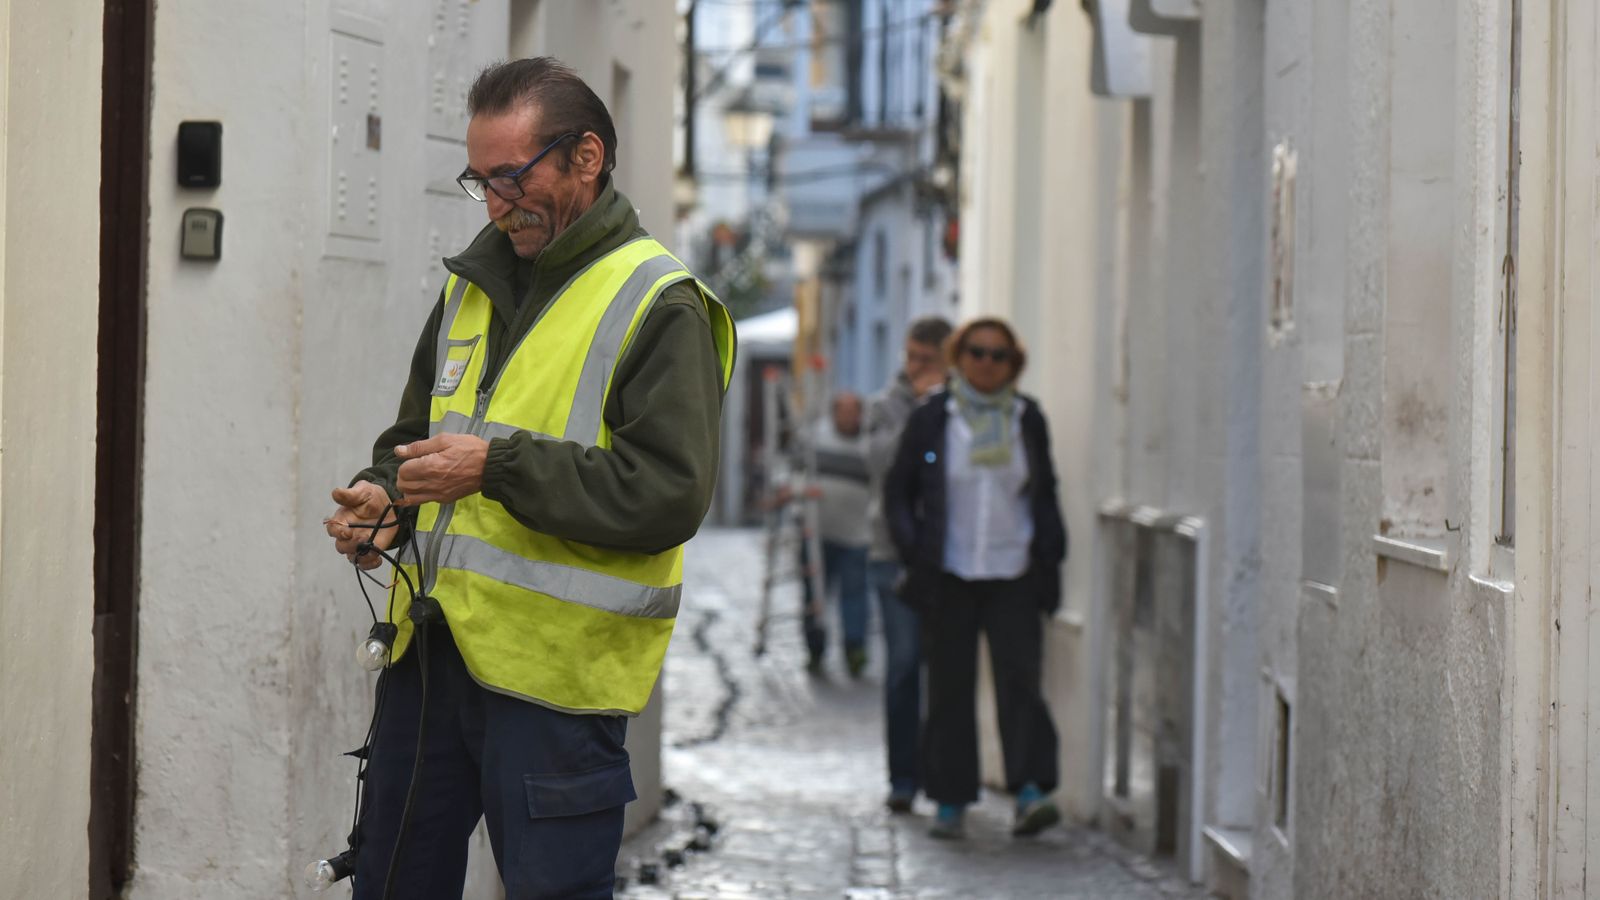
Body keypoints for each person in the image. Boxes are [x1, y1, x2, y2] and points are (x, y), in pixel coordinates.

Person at [323, 58, 735, 899]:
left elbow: (668, 494)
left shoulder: (661, 302)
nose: (498, 202)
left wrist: (496, 468)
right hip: (430, 659)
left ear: (587, 157)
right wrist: (383, 501)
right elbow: (416, 441)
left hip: (556, 688)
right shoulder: (472, 285)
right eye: (482, 181)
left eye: (512, 176)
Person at [884, 317, 1066, 840]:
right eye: (978, 352)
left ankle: (1031, 790)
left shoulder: (1027, 419)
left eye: (999, 355)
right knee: (949, 688)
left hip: (1014, 571)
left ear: (1014, 364)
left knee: (1021, 683)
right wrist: (914, 550)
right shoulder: (933, 417)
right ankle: (950, 798)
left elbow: (1045, 492)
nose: (987, 362)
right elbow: (899, 490)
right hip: (951, 571)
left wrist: (1051, 560)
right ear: (960, 357)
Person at [863, 316, 953, 812]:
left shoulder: (959, 404)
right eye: (910, 356)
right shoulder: (886, 405)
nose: (914, 367)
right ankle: (903, 778)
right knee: (902, 667)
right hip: (890, 552)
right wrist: (921, 408)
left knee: (942, 670)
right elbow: (881, 463)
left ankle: (942, 778)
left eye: (926, 360)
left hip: (946, 556)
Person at [793, 391, 873, 677]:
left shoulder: (869, 445)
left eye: (854, 411)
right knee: (814, 596)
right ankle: (815, 650)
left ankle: (855, 650)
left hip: (857, 535)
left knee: (855, 595)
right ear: (834, 412)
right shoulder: (816, 437)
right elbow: (794, 472)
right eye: (844, 411)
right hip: (816, 534)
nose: (849, 417)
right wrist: (802, 490)